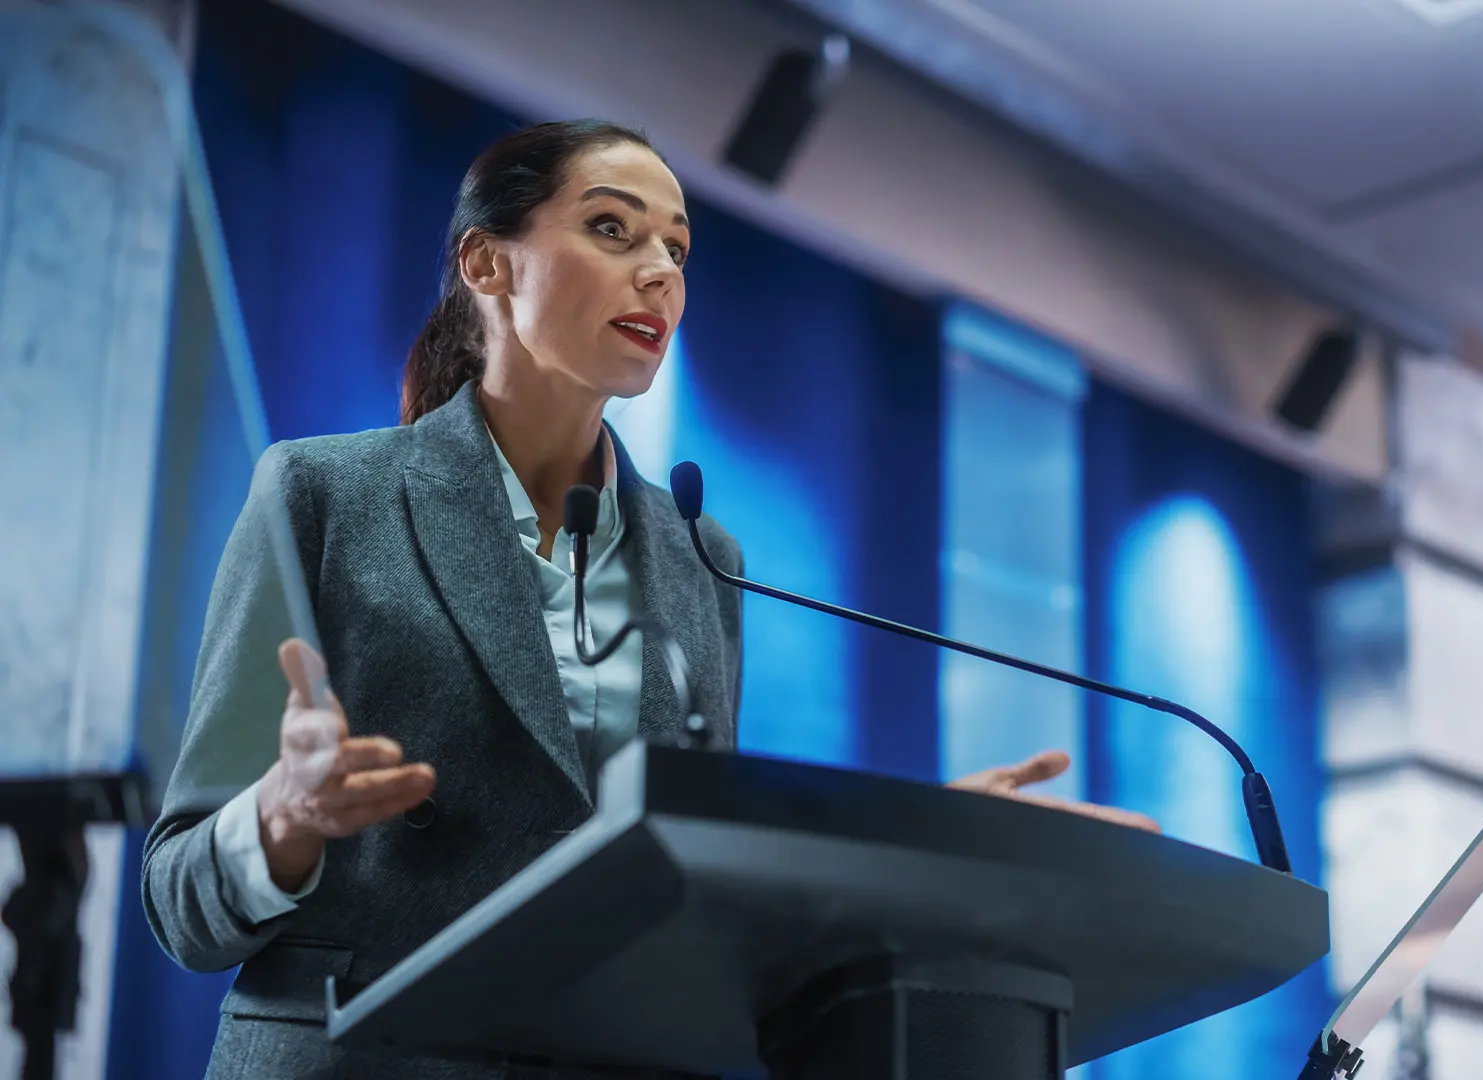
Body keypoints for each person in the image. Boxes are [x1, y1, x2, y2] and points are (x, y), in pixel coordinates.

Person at [142, 119, 1156, 1080]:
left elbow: (691, 881)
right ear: (486, 264)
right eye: (611, 228)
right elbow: (179, 900)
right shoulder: (322, 493)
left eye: (678, 247)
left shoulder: (701, 553)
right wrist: (283, 814)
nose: (663, 270)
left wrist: (916, 842)